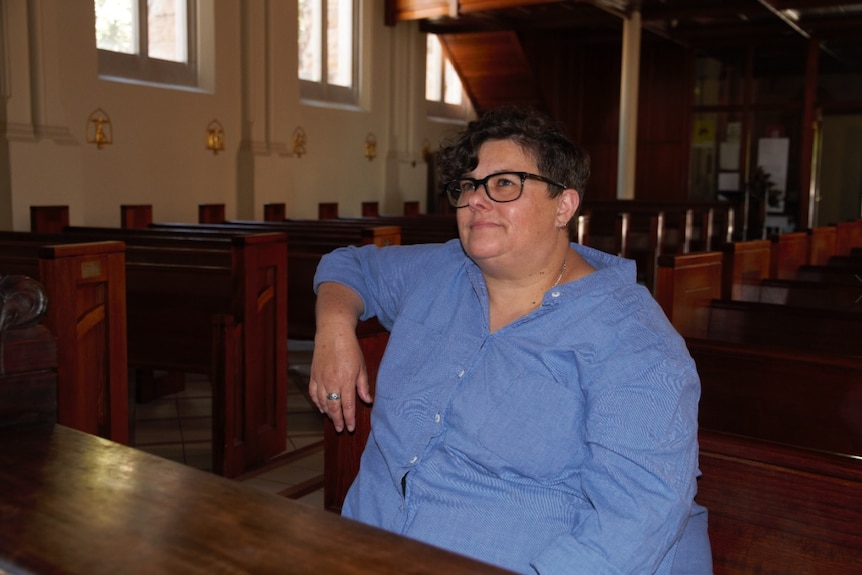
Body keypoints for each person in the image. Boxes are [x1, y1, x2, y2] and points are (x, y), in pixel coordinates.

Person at [309, 105, 712, 574]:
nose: (476, 200)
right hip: (361, 547)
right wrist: (335, 329)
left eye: (504, 184)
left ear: (565, 205)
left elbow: (635, 520)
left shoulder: (634, 341)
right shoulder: (442, 271)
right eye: (467, 186)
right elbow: (349, 266)